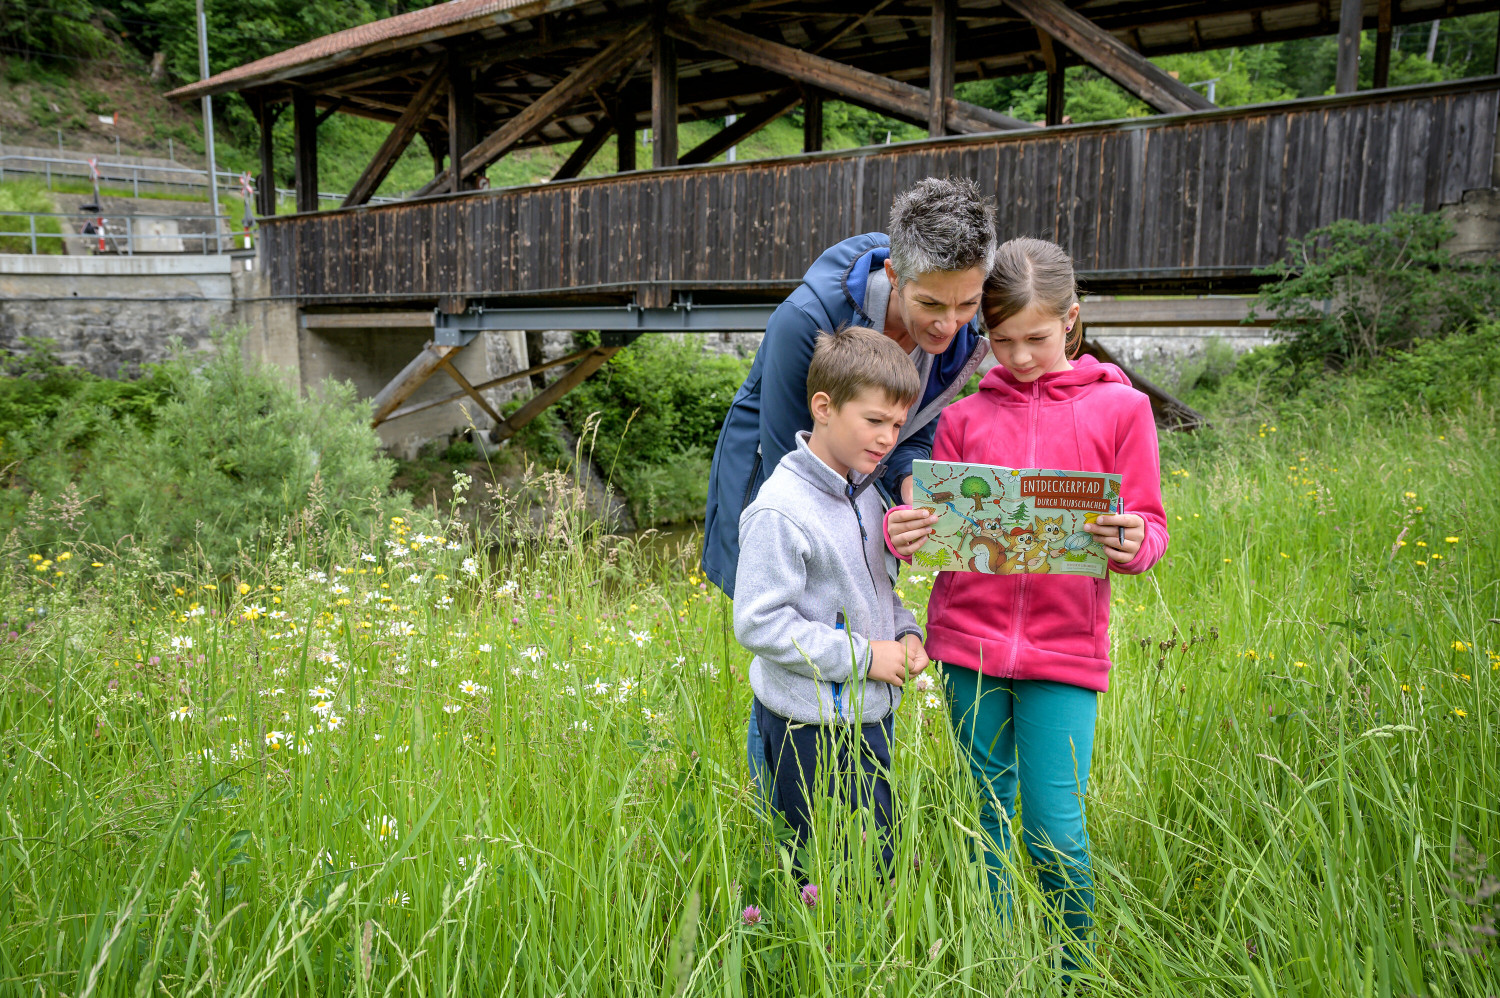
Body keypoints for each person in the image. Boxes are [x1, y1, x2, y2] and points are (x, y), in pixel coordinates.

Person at [883, 237, 1170, 971]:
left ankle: (1075, 967)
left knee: (1054, 827)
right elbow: (935, 527)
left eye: (1036, 338)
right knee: (985, 817)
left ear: (1071, 320)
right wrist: (905, 529)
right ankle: (997, 959)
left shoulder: (1123, 408)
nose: (1018, 356)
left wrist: (1133, 540)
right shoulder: (963, 417)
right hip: (966, 648)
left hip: (1066, 652)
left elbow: (1150, 528)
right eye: (1001, 340)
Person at [703, 176, 996, 800]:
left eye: (968, 305)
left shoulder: (959, 334)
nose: (951, 327)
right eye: (932, 305)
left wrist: (910, 491)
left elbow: (915, 436)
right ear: (895, 273)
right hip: (778, 484)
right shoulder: (806, 320)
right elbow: (801, 457)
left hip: (860, 500)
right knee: (788, 659)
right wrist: (870, 524)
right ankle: (781, 813)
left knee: (854, 627)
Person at [733, 326, 931, 871]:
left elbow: (877, 589)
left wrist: (906, 632)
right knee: (820, 872)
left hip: (868, 715)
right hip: (809, 728)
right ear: (823, 406)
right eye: (874, 421)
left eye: (896, 424)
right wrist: (868, 656)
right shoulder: (781, 510)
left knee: (875, 861)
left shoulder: (864, 494)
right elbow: (758, 623)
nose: (889, 438)